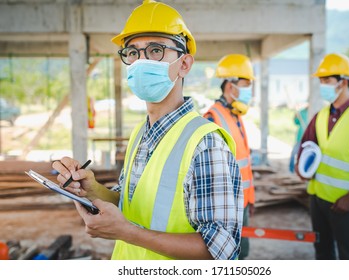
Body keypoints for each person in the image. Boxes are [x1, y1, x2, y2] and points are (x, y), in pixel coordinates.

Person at [52, 0, 243, 260]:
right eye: (132, 52)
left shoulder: (205, 144)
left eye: (155, 50)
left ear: (184, 64)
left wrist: (128, 232)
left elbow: (220, 251)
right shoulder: (141, 133)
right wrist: (92, 188)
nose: (140, 62)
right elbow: (132, 204)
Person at [295, 53, 349, 260]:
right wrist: (302, 168)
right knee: (323, 251)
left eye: (327, 80)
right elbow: (307, 147)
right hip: (317, 199)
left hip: (343, 202)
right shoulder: (321, 116)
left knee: (348, 254)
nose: (323, 85)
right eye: (321, 81)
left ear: (343, 82)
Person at [203, 54, 255, 260]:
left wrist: (250, 198)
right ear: (230, 85)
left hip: (242, 202)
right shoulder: (213, 118)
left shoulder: (235, 115)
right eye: (246, 84)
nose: (249, 90)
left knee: (242, 253)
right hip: (226, 207)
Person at [289, 104, 308, 173]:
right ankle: (291, 169)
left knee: (305, 155)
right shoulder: (301, 112)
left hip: (308, 139)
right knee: (294, 153)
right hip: (300, 137)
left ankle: (303, 170)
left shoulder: (313, 112)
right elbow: (296, 122)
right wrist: (295, 115)